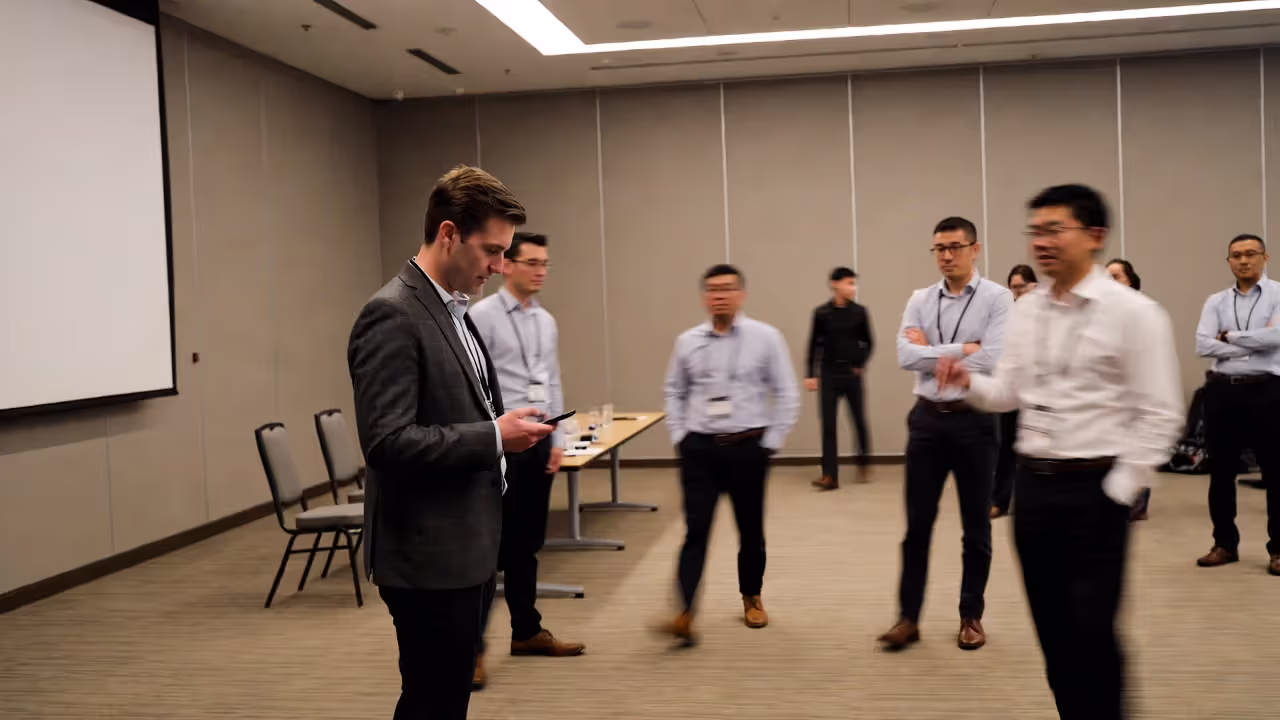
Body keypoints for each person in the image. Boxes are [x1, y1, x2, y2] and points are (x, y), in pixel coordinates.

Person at [937, 184, 1183, 720]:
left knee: (1094, 634)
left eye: (1054, 229)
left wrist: (1116, 491)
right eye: (1034, 231)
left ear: (1094, 236)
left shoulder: (1135, 313)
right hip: (1035, 492)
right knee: (1054, 637)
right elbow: (1008, 393)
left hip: (1096, 492)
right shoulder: (1027, 311)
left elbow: (1162, 415)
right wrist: (966, 384)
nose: (1040, 242)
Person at [347, 165, 554, 720]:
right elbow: (387, 442)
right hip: (427, 557)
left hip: (467, 545)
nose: (499, 267)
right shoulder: (392, 314)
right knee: (431, 703)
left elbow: (453, 408)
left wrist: (502, 423)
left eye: (506, 253)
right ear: (447, 234)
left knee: (445, 699)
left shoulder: (453, 308)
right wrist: (494, 435)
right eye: (491, 250)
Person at [877, 217, 1012, 652]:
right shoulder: (919, 298)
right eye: (939, 248)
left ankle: (970, 616)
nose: (946, 256)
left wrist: (930, 352)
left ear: (976, 249)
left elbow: (993, 356)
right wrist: (961, 350)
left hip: (974, 421)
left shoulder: (997, 298)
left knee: (976, 526)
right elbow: (903, 355)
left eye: (955, 247)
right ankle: (907, 617)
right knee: (916, 527)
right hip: (927, 420)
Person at [470, 232, 584, 690]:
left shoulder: (546, 321)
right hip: (503, 442)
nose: (540, 270)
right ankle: (471, 650)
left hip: (540, 440)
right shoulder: (482, 316)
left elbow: (551, 378)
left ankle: (527, 632)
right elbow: (475, 386)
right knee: (490, 550)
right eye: (532, 262)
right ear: (507, 265)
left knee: (528, 543)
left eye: (545, 263)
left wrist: (562, 437)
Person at [662, 264, 800, 642]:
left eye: (726, 289)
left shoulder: (766, 338)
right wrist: (681, 436)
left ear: (741, 294)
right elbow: (674, 390)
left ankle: (751, 597)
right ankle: (684, 610)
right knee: (696, 530)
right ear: (705, 297)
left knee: (750, 530)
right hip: (700, 450)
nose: (719, 295)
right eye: (712, 289)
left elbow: (787, 391)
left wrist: (770, 444)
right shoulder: (688, 341)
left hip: (747, 448)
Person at [1193, 233, 1280, 576]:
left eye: (1250, 254)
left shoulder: (1279, 294)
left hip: (1268, 391)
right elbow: (1202, 345)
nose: (1244, 261)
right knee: (1221, 473)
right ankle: (1224, 544)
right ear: (1228, 261)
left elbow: (1278, 338)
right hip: (1222, 391)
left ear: (1265, 257)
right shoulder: (1215, 301)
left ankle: (1278, 550)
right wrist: (1255, 344)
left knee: (1276, 473)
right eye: (1236, 256)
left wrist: (1228, 337)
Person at [805, 266, 874, 490]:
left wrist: (860, 364)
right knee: (828, 425)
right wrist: (810, 374)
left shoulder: (860, 312)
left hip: (851, 375)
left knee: (858, 421)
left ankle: (863, 460)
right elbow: (813, 344)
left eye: (854, 283)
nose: (852, 287)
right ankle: (830, 476)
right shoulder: (821, 313)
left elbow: (869, 342)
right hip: (828, 374)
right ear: (835, 284)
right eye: (848, 283)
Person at [1103, 258, 1153, 521]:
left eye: (1116, 276)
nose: (1110, 283)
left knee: (1138, 446)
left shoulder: (1144, 313)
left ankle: (1139, 502)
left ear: (1131, 281)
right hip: (1111, 396)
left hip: (1140, 392)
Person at [991, 264, 1038, 519]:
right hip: (1011, 392)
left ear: (1034, 286)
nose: (1017, 292)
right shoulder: (1007, 314)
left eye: (1022, 287)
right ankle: (999, 500)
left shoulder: (1045, 312)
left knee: (1033, 451)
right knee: (1005, 449)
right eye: (1013, 288)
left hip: (1037, 395)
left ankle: (1030, 504)